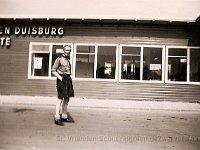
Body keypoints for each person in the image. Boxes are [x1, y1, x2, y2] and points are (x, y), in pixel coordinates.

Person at [52, 44, 74, 126]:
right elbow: (53, 70)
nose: (68, 52)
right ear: (64, 50)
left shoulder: (68, 60)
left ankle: (64, 116)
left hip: (68, 79)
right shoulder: (59, 59)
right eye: (67, 50)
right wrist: (60, 78)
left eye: (69, 50)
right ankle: (57, 117)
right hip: (62, 79)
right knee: (60, 99)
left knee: (67, 98)